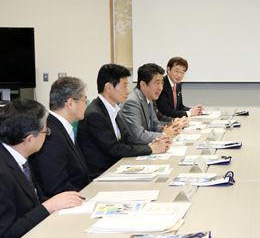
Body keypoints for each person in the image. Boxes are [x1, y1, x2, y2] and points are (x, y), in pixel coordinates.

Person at [0, 99, 83, 237]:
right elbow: (6, 232)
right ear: (29, 139)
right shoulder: (3, 174)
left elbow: (31, 201)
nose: (48, 135)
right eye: (46, 131)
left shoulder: (19, 155)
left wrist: (58, 202)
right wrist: (49, 206)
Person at [77, 64, 171, 179]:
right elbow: (114, 148)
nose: (127, 91)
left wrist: (154, 143)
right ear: (109, 87)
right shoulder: (95, 114)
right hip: (101, 174)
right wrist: (150, 149)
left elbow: (128, 139)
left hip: (117, 166)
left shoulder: (113, 108)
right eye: (124, 86)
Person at [29, 77, 90, 199]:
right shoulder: (50, 133)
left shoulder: (61, 127)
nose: (87, 104)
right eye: (85, 99)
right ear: (71, 103)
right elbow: (56, 187)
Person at [120, 63, 185, 145]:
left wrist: (171, 126)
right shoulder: (132, 102)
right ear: (143, 84)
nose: (161, 88)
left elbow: (155, 125)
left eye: (162, 83)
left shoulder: (148, 97)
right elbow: (138, 136)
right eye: (157, 83)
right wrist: (164, 134)